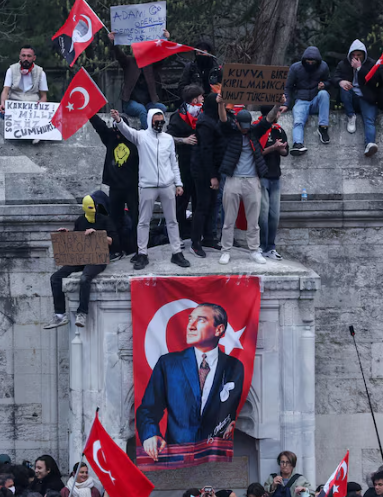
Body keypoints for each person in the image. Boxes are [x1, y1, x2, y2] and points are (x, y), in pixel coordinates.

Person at [136, 304, 244, 460]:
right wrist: (150, 435)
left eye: (200, 320)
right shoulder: (168, 364)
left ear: (219, 329)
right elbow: (148, 410)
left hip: (215, 460)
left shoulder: (234, 367)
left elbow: (229, 412)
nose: (190, 326)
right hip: (176, 459)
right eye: (190, 320)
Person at [110, 108, 191, 270]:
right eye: (156, 121)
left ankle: (176, 252)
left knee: (172, 220)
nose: (159, 124)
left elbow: (173, 163)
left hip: (167, 185)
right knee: (143, 221)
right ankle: (142, 253)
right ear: (150, 120)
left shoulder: (168, 139)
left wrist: (179, 183)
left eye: (162, 121)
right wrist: (118, 120)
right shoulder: (141, 137)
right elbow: (127, 131)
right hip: (148, 185)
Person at [45, 194, 118, 329]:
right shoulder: (80, 221)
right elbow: (77, 240)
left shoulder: (105, 220)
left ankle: (82, 312)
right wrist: (67, 235)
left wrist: (97, 234)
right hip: (82, 257)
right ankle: (60, 315)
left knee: (85, 278)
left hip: (98, 258)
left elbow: (113, 241)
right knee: (56, 277)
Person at [216, 103, 270, 264]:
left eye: (247, 126)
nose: (245, 129)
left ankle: (254, 250)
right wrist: (220, 103)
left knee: (253, 221)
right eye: (242, 126)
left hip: (253, 180)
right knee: (228, 220)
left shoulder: (253, 131)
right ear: (237, 123)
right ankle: (225, 251)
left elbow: (268, 120)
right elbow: (223, 119)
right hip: (233, 179)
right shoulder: (230, 132)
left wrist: (278, 105)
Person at [89, 113, 139, 259]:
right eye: (115, 129)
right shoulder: (110, 138)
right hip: (115, 187)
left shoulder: (135, 140)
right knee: (114, 220)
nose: (117, 133)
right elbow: (100, 127)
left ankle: (137, 248)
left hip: (131, 187)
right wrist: (90, 113)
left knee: (136, 218)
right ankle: (116, 250)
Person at [109, 31, 167, 129]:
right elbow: (119, 55)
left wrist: (165, 40)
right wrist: (112, 41)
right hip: (131, 102)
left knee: (162, 108)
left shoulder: (150, 65)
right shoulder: (129, 62)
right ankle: (147, 132)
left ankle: (158, 130)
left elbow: (162, 57)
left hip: (148, 103)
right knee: (141, 110)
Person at [280, 46, 331, 155]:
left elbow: (329, 81)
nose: (310, 63)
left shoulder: (323, 67)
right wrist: (286, 104)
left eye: (313, 61)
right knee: (298, 120)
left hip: (316, 99)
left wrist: (324, 84)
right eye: (308, 61)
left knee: (324, 94)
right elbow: (288, 87)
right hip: (301, 100)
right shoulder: (295, 68)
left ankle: (323, 127)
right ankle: (298, 144)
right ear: (304, 60)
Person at [191, 93, 225, 254]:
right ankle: (196, 241)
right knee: (203, 205)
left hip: (213, 168)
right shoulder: (205, 123)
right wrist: (212, 175)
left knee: (212, 205)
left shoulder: (214, 119)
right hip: (204, 170)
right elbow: (206, 150)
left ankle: (209, 238)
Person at [252, 105, 288, 260]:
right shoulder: (257, 128)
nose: (279, 114)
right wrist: (273, 147)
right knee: (263, 214)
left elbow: (286, 151)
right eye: (278, 111)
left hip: (275, 176)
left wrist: (280, 149)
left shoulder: (279, 130)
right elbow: (255, 152)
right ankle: (261, 246)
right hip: (262, 176)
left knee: (275, 215)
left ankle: (271, 247)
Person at [168, 85, 203, 240]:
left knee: (199, 201)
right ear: (195, 99)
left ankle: (197, 235)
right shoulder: (177, 116)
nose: (203, 99)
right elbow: (167, 138)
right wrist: (184, 140)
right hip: (184, 165)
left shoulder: (204, 114)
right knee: (181, 201)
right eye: (201, 97)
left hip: (201, 165)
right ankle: (180, 234)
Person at [334, 40, 379, 157]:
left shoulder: (371, 64)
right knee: (344, 88)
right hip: (351, 96)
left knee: (369, 120)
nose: (356, 57)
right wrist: (341, 81)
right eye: (354, 55)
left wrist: (359, 68)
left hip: (366, 97)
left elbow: (375, 80)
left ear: (364, 55)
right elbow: (334, 78)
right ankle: (351, 116)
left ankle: (370, 144)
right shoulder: (343, 64)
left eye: (359, 55)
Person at [0, 46, 48, 118]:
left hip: (33, 107)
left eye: (29, 56)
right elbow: (5, 91)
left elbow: (44, 96)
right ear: (20, 57)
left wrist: (41, 103)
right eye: (23, 56)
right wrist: (3, 104)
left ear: (34, 58)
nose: (26, 59)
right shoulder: (11, 70)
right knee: (3, 114)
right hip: (14, 105)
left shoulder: (40, 72)